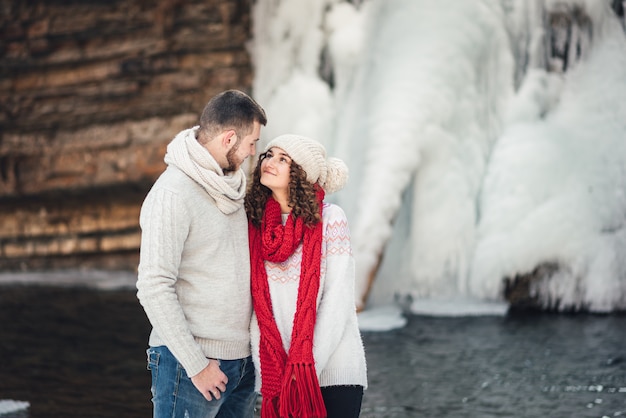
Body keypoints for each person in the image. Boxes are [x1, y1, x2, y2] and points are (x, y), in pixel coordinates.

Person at [136, 89, 267, 418]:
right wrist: (196, 364)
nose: (253, 152)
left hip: (242, 366)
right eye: (251, 143)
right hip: (190, 367)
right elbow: (153, 286)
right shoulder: (172, 194)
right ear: (229, 138)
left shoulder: (234, 186)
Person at [245, 134, 368, 418]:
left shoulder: (331, 218)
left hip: (333, 372)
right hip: (279, 375)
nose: (270, 162)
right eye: (268, 154)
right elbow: (258, 312)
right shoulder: (256, 226)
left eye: (283, 159)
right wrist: (270, 376)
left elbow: (337, 300)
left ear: (301, 173)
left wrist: (304, 370)